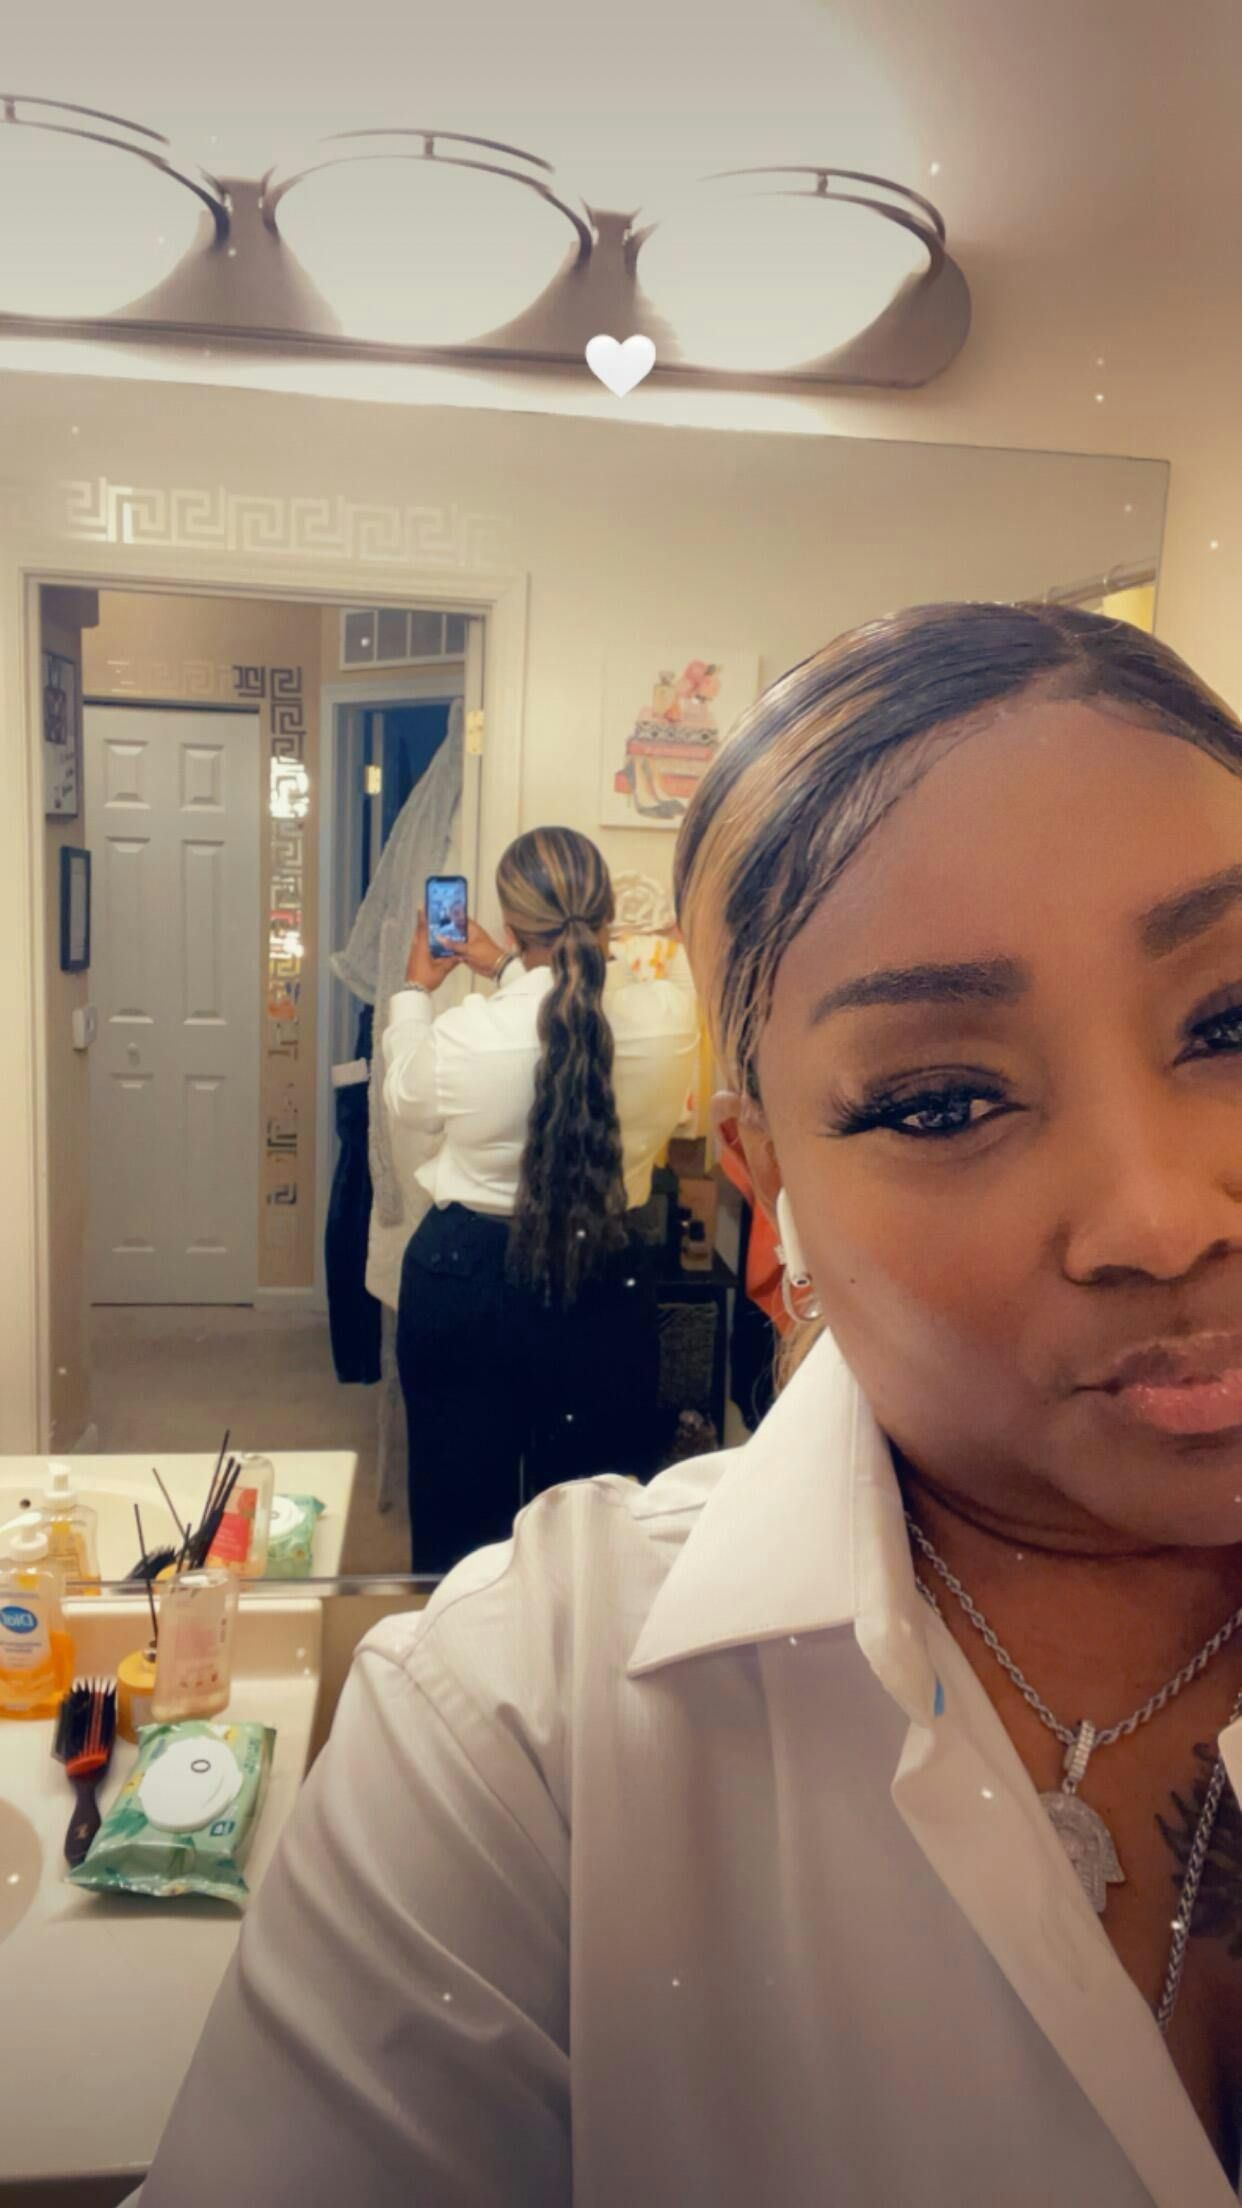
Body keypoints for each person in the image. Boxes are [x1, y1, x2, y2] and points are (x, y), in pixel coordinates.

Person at [130, 603, 1242, 2205]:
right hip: (597, 1285)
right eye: (940, 1100)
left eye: (1232, 1021)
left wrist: (429, 1016)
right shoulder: (525, 1728)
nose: (1160, 1218)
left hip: (467, 1271)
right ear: (758, 1169)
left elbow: (406, 1145)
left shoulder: (458, 1029)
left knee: (461, 1494)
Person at [385, 825, 698, 1572]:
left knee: (461, 1526)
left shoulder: (466, 1036)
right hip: (605, 1272)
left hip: (468, 1280)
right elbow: (564, 1019)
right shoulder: (671, 1020)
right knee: (592, 1529)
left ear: (512, 922)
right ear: (609, 914)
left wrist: (415, 992)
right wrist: (508, 969)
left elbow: (405, 1097)